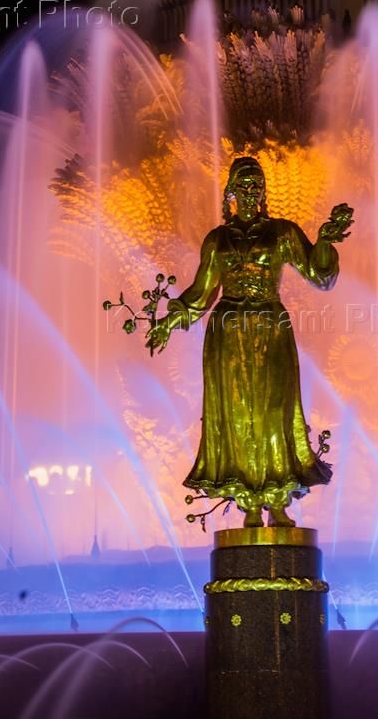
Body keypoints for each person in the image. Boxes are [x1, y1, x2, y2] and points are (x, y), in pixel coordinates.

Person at [147, 157, 353, 528]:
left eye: (256, 184)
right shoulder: (217, 240)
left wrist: (323, 243)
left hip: (270, 327)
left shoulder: (281, 233)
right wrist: (167, 322)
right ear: (230, 191)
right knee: (237, 416)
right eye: (243, 185)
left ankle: (277, 499)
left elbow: (319, 276)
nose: (250, 191)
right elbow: (201, 293)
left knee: (275, 412)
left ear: (263, 191)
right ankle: (249, 503)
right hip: (227, 333)